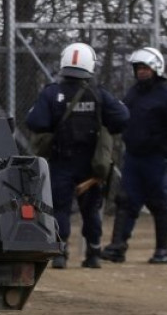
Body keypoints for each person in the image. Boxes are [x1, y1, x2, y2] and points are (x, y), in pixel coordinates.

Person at [25, 43, 128, 269]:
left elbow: (34, 122)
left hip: (62, 161)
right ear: (90, 65)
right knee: (91, 210)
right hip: (91, 165)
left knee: (60, 208)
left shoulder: (52, 93)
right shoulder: (98, 94)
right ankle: (92, 253)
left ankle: (60, 254)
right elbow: (122, 118)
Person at [100, 47, 167, 264]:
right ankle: (117, 247)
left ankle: (163, 250)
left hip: (157, 158)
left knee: (160, 203)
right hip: (133, 158)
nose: (142, 72)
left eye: (146, 68)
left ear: (156, 69)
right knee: (126, 201)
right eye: (138, 68)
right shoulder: (133, 93)